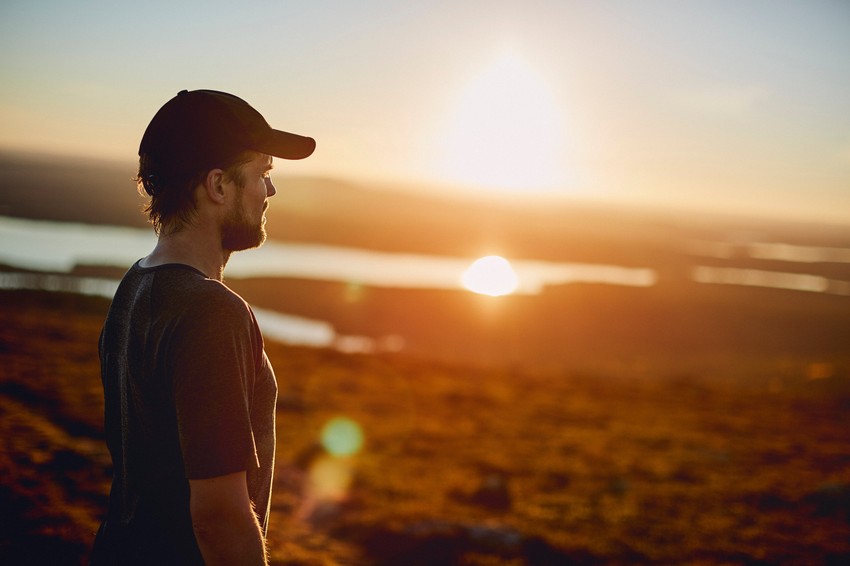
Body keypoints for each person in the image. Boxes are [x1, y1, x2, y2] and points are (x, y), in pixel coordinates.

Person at [90, 89, 315, 565]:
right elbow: (218, 516)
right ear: (218, 185)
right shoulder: (213, 312)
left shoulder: (135, 286)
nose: (270, 191)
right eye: (262, 173)